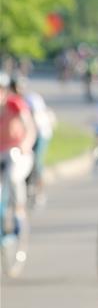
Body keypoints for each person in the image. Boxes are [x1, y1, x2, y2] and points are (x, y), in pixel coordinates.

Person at [0, 72, 37, 269]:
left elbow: (29, 126)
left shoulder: (15, 104)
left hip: (16, 152)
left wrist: (26, 143)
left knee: (14, 178)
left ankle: (19, 214)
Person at [9, 75, 56, 207]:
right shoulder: (13, 100)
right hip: (24, 136)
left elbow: (33, 123)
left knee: (37, 162)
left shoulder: (31, 99)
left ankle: (39, 191)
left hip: (41, 134)